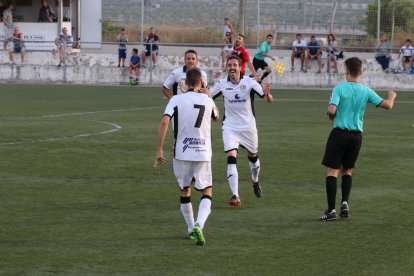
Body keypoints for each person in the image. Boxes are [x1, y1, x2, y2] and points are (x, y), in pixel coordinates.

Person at [320, 57, 397, 221]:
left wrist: (330, 116)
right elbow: (388, 105)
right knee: (347, 170)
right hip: (356, 137)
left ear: (346, 71)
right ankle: (345, 203)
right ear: (361, 72)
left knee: (332, 172)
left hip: (339, 134)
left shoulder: (339, 89)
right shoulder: (366, 91)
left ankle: (331, 211)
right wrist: (392, 96)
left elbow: (331, 110)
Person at [155, 68, 219, 246]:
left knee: (184, 189)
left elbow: (164, 121)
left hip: (182, 152)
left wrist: (159, 150)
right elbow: (217, 116)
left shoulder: (175, 99)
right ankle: (199, 224)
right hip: (203, 152)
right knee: (207, 190)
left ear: (185, 83)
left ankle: (191, 228)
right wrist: (209, 96)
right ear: (200, 83)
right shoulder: (207, 100)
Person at [211, 56, 273, 207]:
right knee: (231, 157)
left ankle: (255, 180)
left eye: (235, 65)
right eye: (229, 65)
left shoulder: (249, 82)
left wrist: (267, 93)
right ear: (227, 67)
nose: (232, 67)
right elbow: (207, 97)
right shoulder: (221, 84)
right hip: (230, 127)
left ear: (240, 67)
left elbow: (267, 99)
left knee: (253, 157)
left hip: (248, 127)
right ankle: (235, 195)